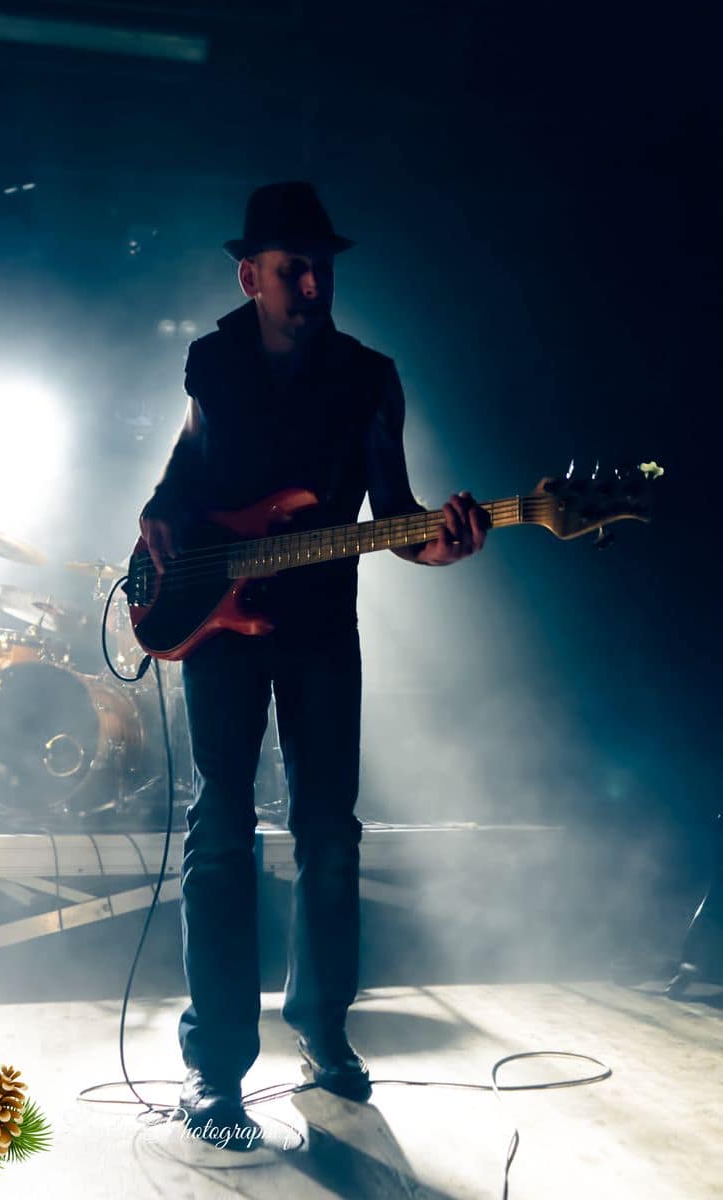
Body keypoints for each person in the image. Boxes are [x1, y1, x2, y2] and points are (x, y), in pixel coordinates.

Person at [139, 181, 490, 1146]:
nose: (311, 283)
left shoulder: (370, 375)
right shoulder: (211, 358)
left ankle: (322, 1036)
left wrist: (440, 544)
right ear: (250, 276)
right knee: (220, 829)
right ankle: (213, 1070)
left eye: (321, 267)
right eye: (292, 268)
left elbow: (398, 511)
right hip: (220, 616)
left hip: (324, 625)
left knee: (331, 830)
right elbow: (189, 465)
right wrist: (160, 509)